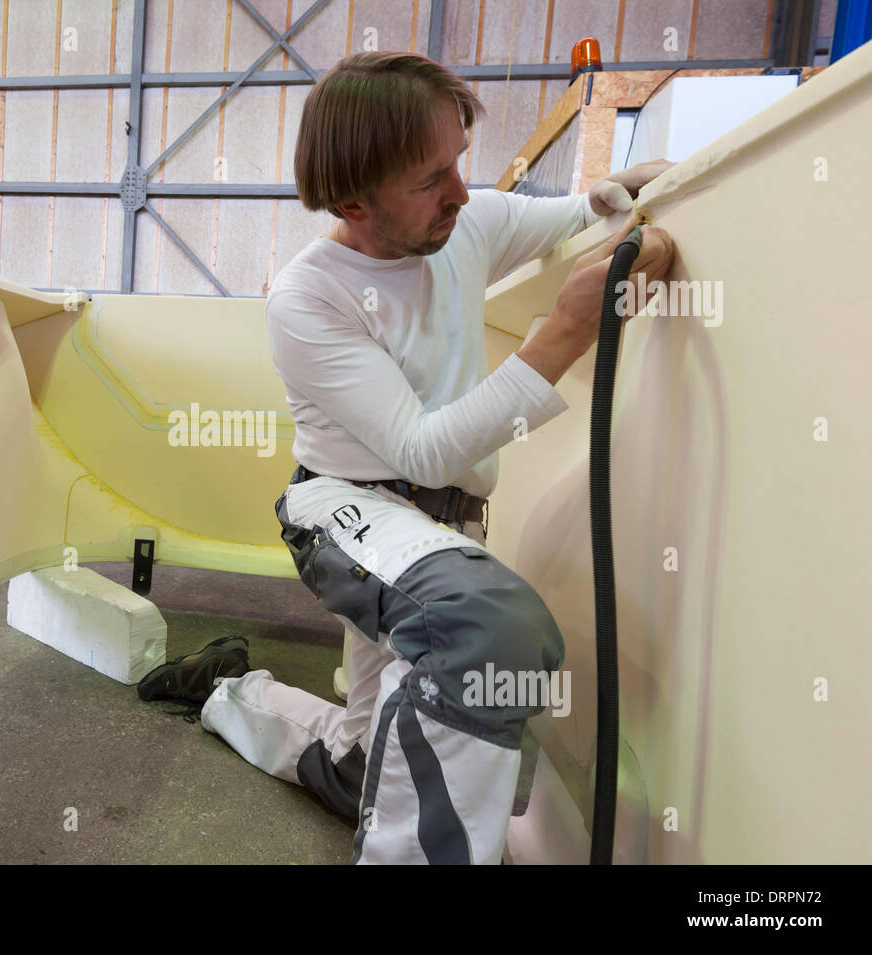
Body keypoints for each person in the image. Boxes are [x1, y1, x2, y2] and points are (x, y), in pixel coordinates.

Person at [167, 50, 673, 864]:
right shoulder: (309, 296)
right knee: (492, 630)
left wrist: (628, 190)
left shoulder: (463, 226)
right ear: (350, 200)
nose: (462, 192)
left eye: (459, 163)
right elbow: (425, 449)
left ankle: (231, 692)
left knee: (370, 762)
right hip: (345, 509)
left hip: (438, 530)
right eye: (431, 177)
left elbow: (575, 215)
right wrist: (567, 332)